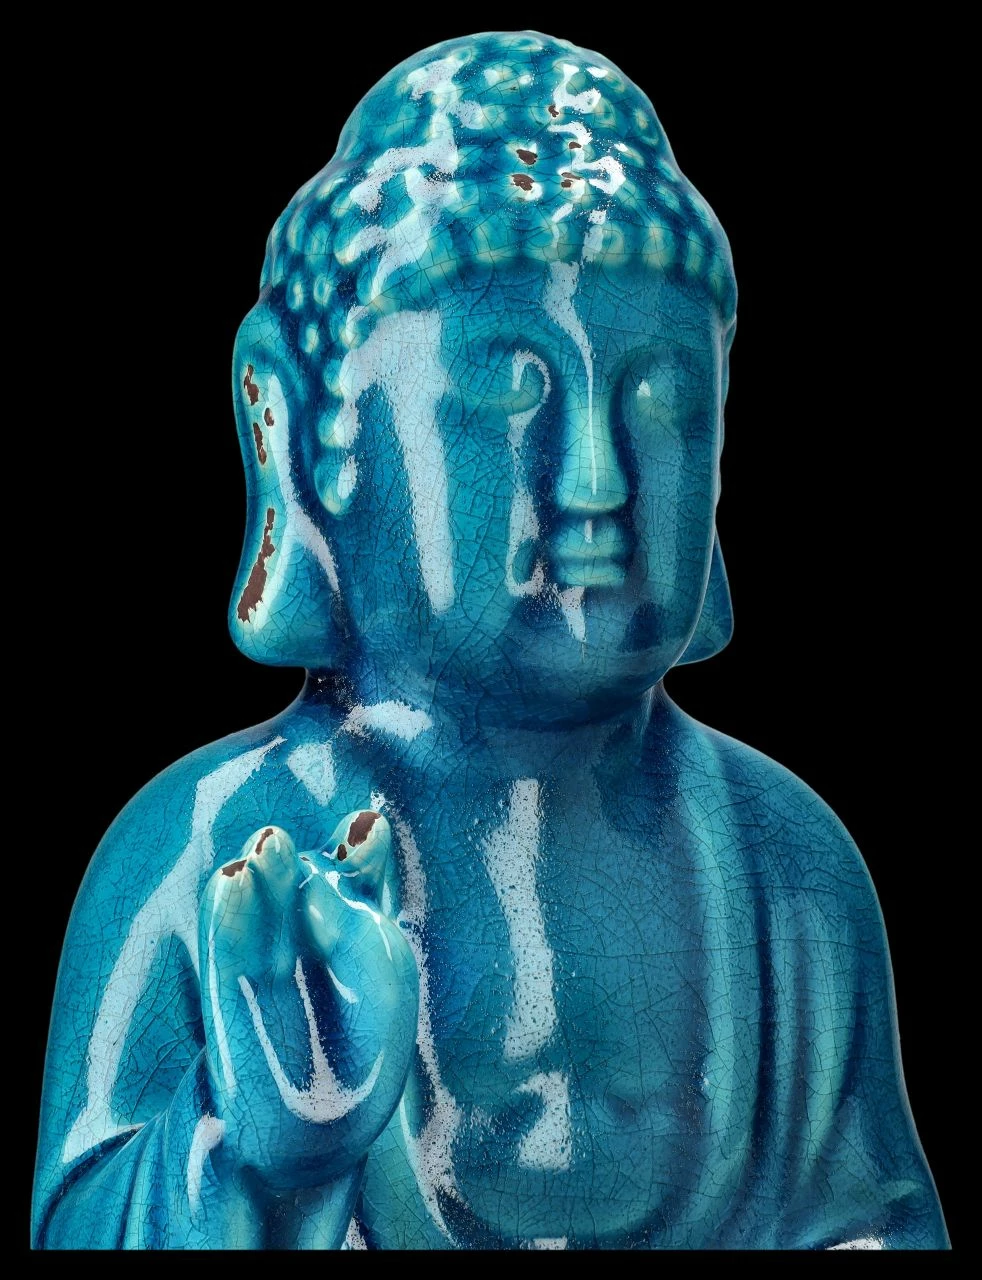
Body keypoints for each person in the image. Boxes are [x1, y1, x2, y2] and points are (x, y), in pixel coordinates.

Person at [33, 31, 949, 1249]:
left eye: (661, 396)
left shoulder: (787, 874)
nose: (594, 477)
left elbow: (874, 1220)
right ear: (306, 439)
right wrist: (263, 1157)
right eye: (506, 391)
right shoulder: (214, 847)